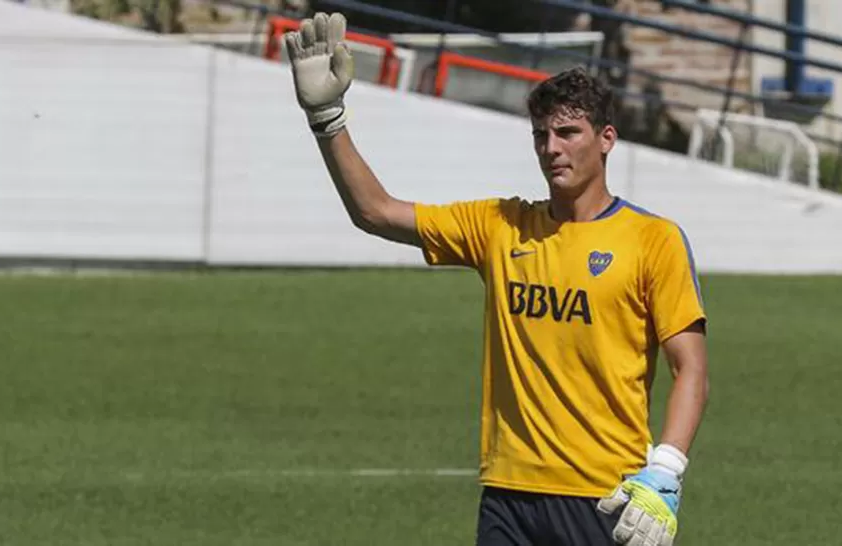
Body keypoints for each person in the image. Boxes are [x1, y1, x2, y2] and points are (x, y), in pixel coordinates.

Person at [285, 12, 710, 546]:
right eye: (541, 135)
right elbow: (375, 211)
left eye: (568, 133)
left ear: (606, 139)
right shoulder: (501, 226)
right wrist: (327, 116)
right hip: (508, 495)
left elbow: (690, 368)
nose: (552, 148)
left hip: (605, 495)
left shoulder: (654, 240)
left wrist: (665, 470)